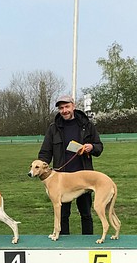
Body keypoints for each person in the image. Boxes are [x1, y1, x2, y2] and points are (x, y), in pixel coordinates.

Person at [38, 94, 103, 235]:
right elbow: (45, 152)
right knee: (62, 214)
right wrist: (40, 166)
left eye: (67, 107)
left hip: (84, 177)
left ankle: (87, 242)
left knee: (86, 214)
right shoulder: (53, 128)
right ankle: (64, 242)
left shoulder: (87, 125)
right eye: (61, 108)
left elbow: (99, 147)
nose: (64, 110)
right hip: (62, 178)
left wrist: (92, 147)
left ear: (73, 106)